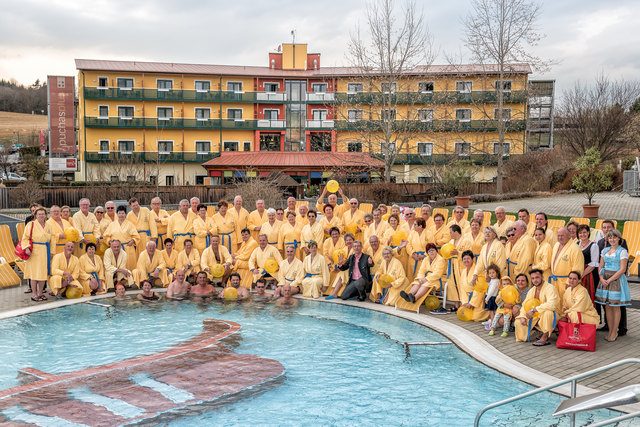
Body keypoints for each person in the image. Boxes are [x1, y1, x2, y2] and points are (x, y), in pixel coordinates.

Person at [596, 229, 631, 342]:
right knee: (607, 306)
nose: (612, 239)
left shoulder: (622, 251)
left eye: (614, 237)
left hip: (615, 280)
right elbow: (600, 266)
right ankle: (610, 330)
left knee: (615, 306)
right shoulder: (605, 250)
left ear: (619, 239)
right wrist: (601, 278)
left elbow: (622, 269)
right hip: (605, 279)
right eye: (610, 238)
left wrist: (610, 279)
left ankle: (614, 331)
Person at [515, 269, 559, 346]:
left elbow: (552, 305)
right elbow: (525, 305)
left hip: (552, 315)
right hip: (536, 315)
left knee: (547, 313)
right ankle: (536, 331)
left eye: (537, 277)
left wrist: (534, 310)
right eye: (533, 278)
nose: (535, 280)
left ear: (542, 277)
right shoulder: (532, 290)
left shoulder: (550, 288)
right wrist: (522, 316)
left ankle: (545, 337)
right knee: (518, 321)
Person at [22, 207, 54, 301]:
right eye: (39, 214)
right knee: (34, 273)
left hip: (45, 250)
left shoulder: (49, 225)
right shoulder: (30, 224)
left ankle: (41, 293)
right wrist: (27, 247)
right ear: (35, 215)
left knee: (43, 273)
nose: (41, 216)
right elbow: (25, 237)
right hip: (34, 251)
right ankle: (34, 294)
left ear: (45, 215)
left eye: (43, 214)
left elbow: (53, 239)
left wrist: (52, 251)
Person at [550, 227, 584, 303]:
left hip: (566, 282)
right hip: (555, 281)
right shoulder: (556, 245)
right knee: (556, 303)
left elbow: (578, 268)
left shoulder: (575, 249)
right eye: (558, 235)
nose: (560, 237)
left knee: (566, 304)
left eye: (562, 235)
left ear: (569, 236)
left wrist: (570, 282)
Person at [103, 205, 140, 271]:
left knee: (129, 266)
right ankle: (117, 280)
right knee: (117, 266)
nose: (121, 215)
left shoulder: (130, 224)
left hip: (128, 248)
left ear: (125, 214)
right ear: (117, 214)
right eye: (119, 213)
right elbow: (105, 236)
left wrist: (132, 241)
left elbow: (136, 236)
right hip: (116, 248)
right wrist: (110, 242)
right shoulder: (112, 224)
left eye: (123, 213)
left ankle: (130, 279)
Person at [457, 250, 489, 322]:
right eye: (464, 259)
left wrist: (471, 303)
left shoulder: (478, 271)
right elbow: (462, 288)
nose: (466, 261)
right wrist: (464, 302)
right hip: (467, 298)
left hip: (478, 298)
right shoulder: (463, 271)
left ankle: (489, 313)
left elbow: (480, 289)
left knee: (475, 317)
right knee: (463, 314)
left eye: (468, 258)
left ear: (472, 259)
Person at [406, 217, 434, 283]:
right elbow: (408, 244)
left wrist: (424, 255)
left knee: (422, 276)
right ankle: (410, 291)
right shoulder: (412, 233)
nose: (414, 226)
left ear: (420, 226)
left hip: (424, 259)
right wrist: (412, 254)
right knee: (411, 276)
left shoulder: (428, 233)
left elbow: (431, 246)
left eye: (415, 224)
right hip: (413, 258)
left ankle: (421, 291)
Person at [577, 224, 599, 304]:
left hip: (589, 275)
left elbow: (593, 264)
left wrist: (581, 275)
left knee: (589, 296)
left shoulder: (593, 245)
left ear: (588, 233)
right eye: (580, 233)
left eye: (584, 232)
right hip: (578, 273)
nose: (582, 235)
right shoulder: (576, 244)